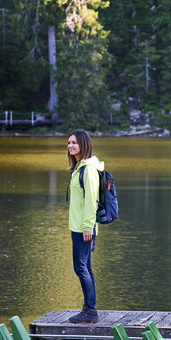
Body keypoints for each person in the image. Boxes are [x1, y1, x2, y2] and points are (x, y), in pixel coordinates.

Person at [66, 130, 103, 324]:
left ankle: (90, 310)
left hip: (83, 228)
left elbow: (91, 201)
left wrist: (88, 227)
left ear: (83, 144)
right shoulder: (79, 168)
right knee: (85, 267)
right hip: (78, 226)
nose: (70, 146)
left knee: (81, 267)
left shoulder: (88, 170)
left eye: (74, 143)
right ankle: (89, 308)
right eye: (69, 142)